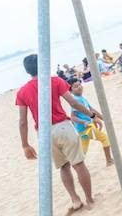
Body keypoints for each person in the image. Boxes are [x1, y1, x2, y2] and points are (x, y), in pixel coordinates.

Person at [16, 54, 99, 212]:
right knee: (79, 164)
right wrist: (92, 116)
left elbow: (22, 122)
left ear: (27, 71)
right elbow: (73, 102)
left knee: (63, 167)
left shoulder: (22, 91)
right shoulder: (54, 81)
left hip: (45, 133)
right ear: (43, 65)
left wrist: (25, 144)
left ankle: (75, 199)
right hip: (63, 126)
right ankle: (89, 198)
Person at [68, 77, 114, 166]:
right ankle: (109, 161)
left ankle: (76, 165)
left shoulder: (81, 98)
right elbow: (73, 117)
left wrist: (103, 118)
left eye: (80, 84)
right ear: (70, 91)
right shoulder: (76, 100)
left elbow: (91, 110)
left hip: (83, 130)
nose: (79, 87)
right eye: (76, 86)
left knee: (83, 150)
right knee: (105, 139)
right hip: (87, 128)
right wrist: (84, 122)